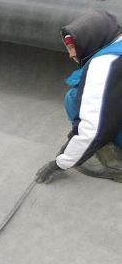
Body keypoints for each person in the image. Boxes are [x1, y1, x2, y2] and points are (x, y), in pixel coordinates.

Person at [35, 10, 122, 184]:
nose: (72, 54)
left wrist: (61, 162)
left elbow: (93, 130)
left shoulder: (104, 64)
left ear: (91, 40)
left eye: (74, 47)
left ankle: (113, 163)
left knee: (74, 97)